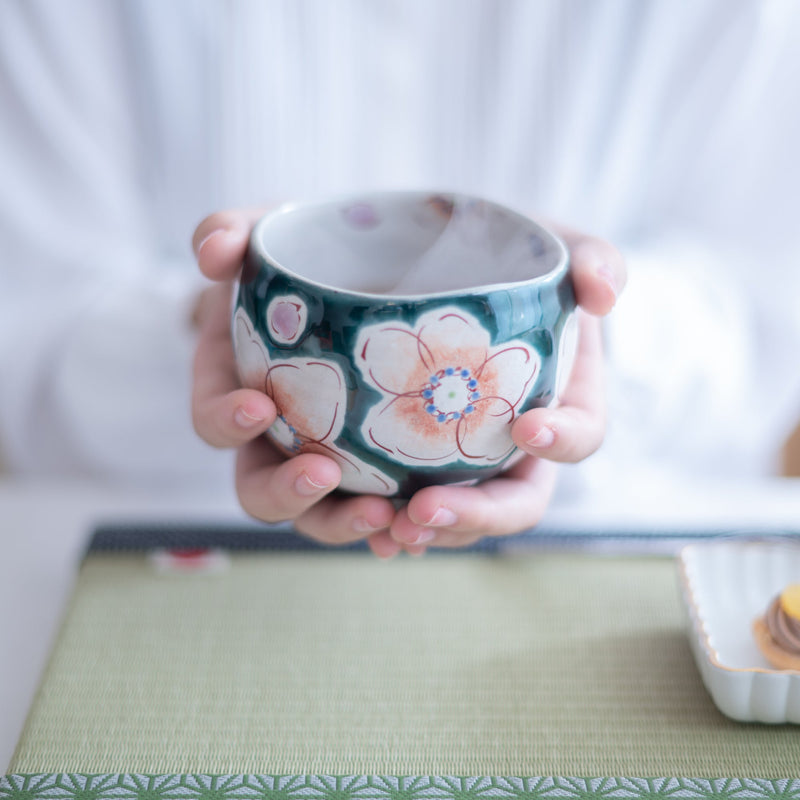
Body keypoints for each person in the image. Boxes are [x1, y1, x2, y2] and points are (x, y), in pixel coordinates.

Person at [1, 1, 798, 554]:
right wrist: (202, 322)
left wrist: (589, 331)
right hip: (161, 551)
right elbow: (29, 347)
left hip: (625, 541)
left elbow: (768, 327)